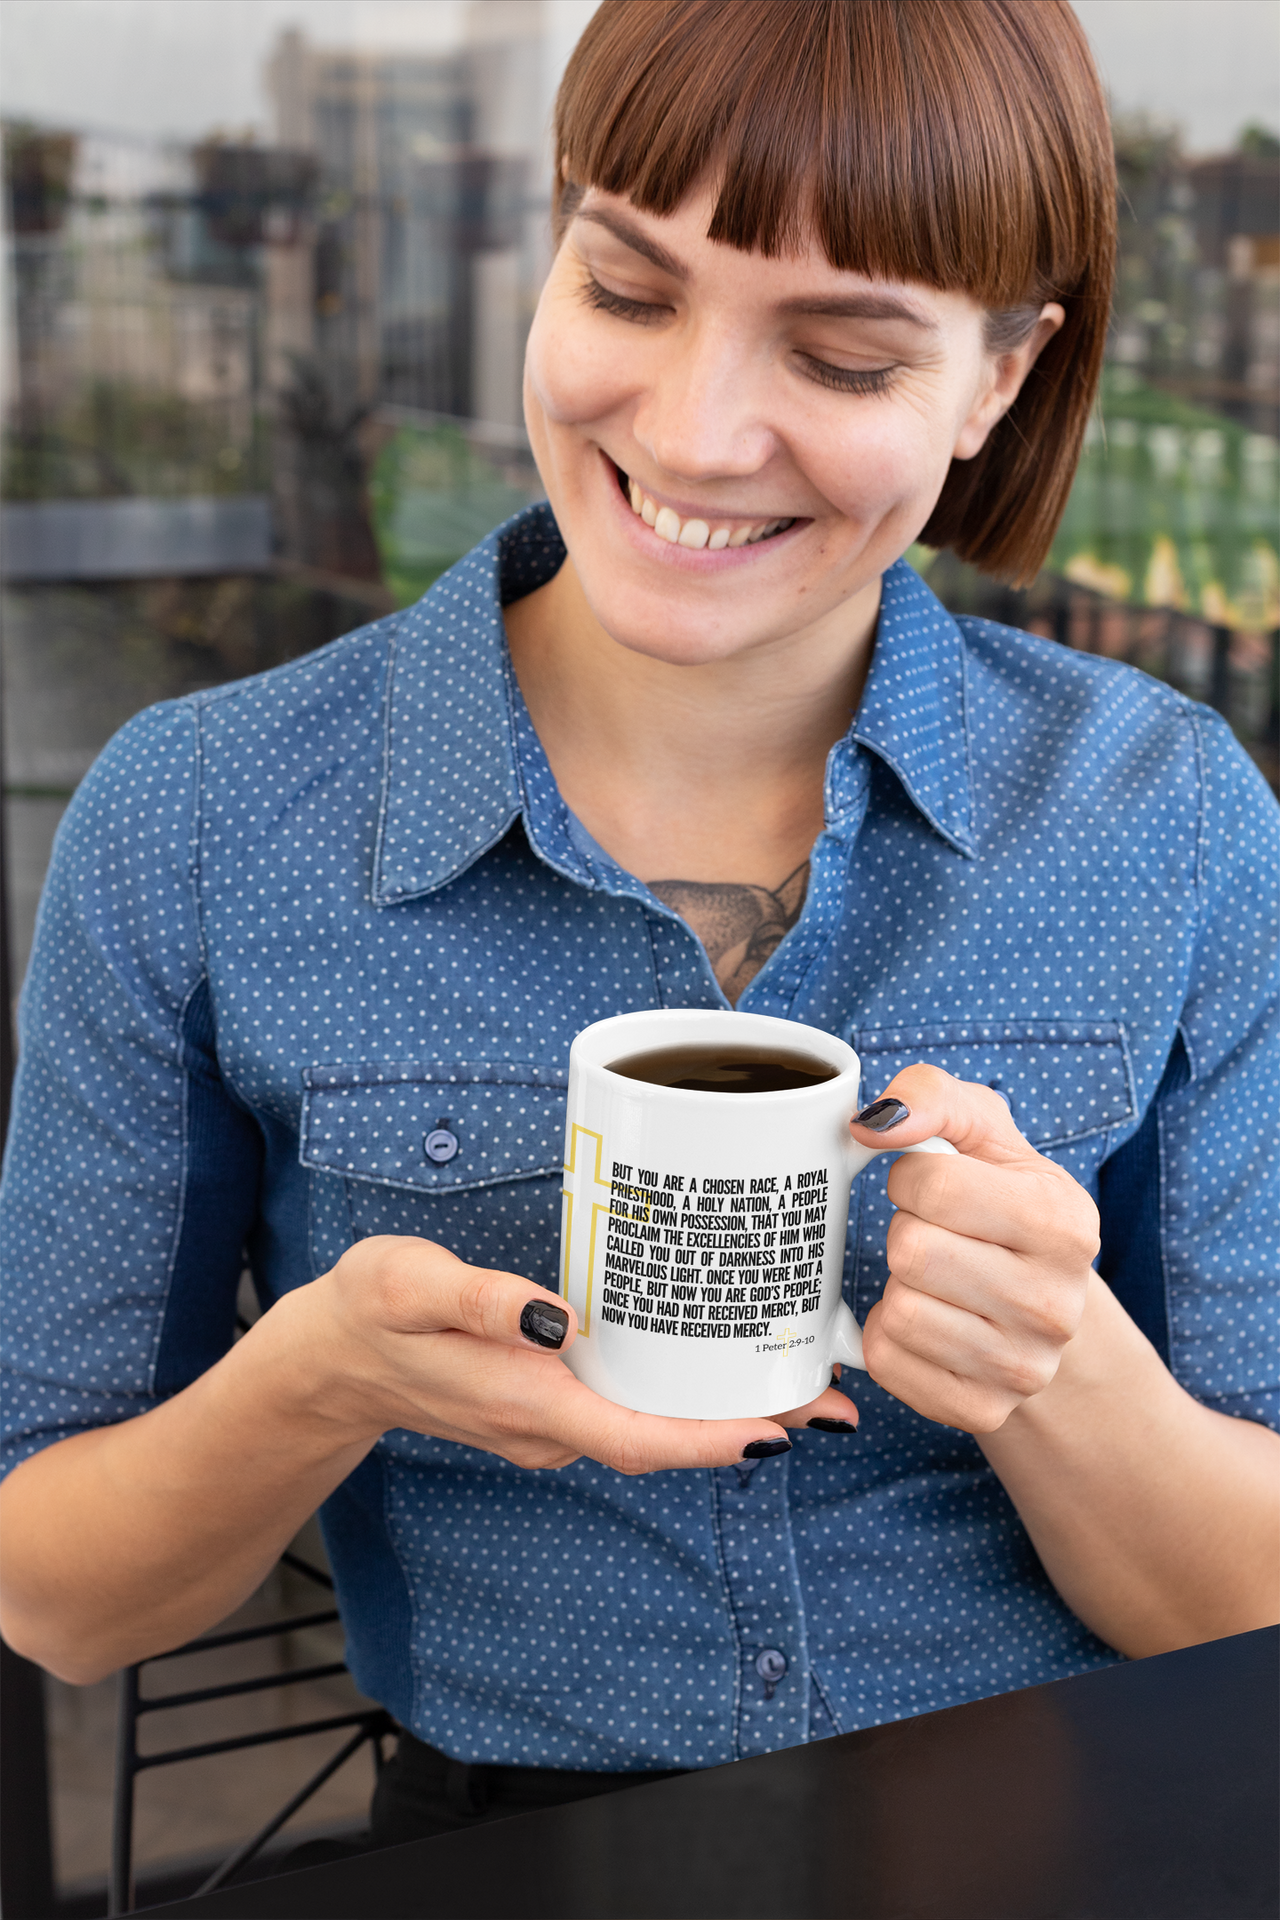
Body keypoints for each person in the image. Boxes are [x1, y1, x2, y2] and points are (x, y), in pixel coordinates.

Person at [2, 0, 1276, 1848]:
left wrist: (1055, 1362)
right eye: (628, 285)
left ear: (998, 382)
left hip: (1070, 1830)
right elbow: (56, 1594)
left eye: (842, 357)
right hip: (508, 1840)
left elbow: (1245, 1613)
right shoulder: (202, 819)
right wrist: (322, 1374)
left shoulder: (1166, 819)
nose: (692, 429)